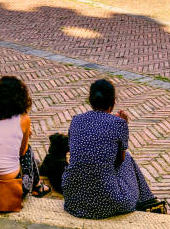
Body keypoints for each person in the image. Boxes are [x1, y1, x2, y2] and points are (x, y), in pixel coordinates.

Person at [62, 79, 157, 219]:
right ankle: (148, 201)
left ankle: (149, 201)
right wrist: (122, 124)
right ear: (113, 103)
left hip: (73, 200)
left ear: (90, 100)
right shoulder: (119, 123)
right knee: (128, 158)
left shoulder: (76, 120)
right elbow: (119, 161)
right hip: (108, 202)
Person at [0, 76, 51, 200]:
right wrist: (24, 135)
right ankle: (37, 186)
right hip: (13, 189)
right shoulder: (24, 120)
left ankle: (37, 185)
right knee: (28, 150)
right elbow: (22, 151)